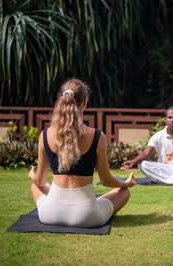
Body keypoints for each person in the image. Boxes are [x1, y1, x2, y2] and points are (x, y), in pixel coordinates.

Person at [29, 79, 135, 228]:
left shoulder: (45, 134)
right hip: (87, 216)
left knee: (35, 186)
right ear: (84, 102)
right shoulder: (97, 136)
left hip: (49, 215)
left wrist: (32, 175)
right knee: (123, 192)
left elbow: (39, 181)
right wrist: (125, 183)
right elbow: (106, 181)